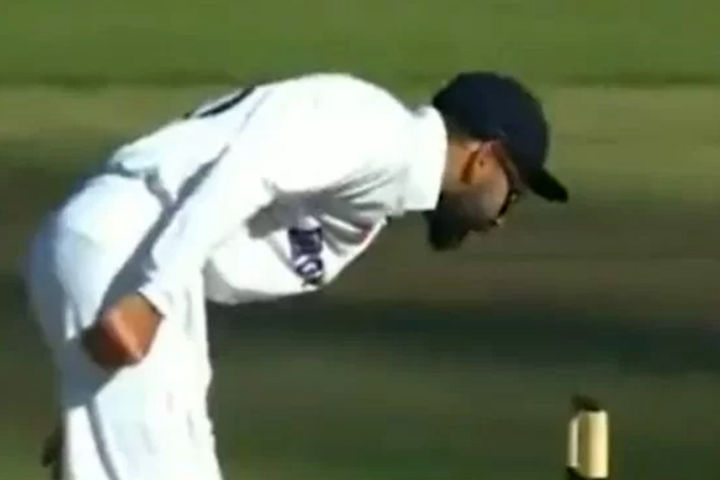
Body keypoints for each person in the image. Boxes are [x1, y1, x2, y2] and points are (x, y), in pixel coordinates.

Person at [26, 71, 568, 480]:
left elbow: (222, 242)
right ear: (483, 158)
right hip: (130, 245)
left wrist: (90, 398)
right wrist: (152, 296)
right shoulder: (378, 132)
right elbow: (243, 175)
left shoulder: (381, 183)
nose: (501, 217)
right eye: (512, 193)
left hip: (130, 252)